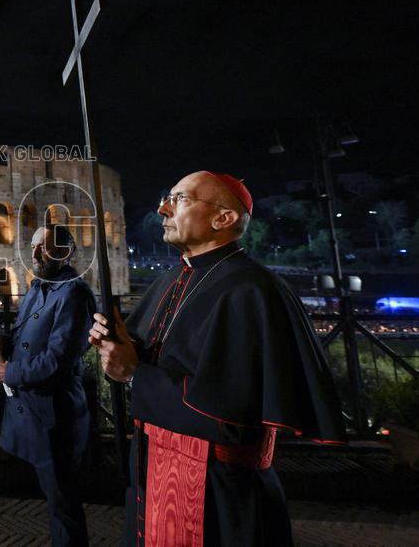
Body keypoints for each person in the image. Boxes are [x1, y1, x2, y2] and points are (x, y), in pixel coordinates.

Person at [90, 171, 345, 546]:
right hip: (152, 473)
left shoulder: (253, 290)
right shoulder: (168, 280)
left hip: (218, 489)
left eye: (180, 200)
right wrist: (117, 346)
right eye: (167, 198)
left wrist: (134, 374)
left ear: (222, 218)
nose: (162, 209)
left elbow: (231, 417)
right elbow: (155, 360)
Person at [0, 224, 94, 547]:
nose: (34, 254)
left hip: (54, 414)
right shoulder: (38, 288)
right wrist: (1, 341)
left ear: (66, 252)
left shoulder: (74, 293)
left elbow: (58, 360)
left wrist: (11, 373)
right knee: (55, 499)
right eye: (32, 246)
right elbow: (22, 339)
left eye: (43, 247)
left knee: (63, 504)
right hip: (34, 411)